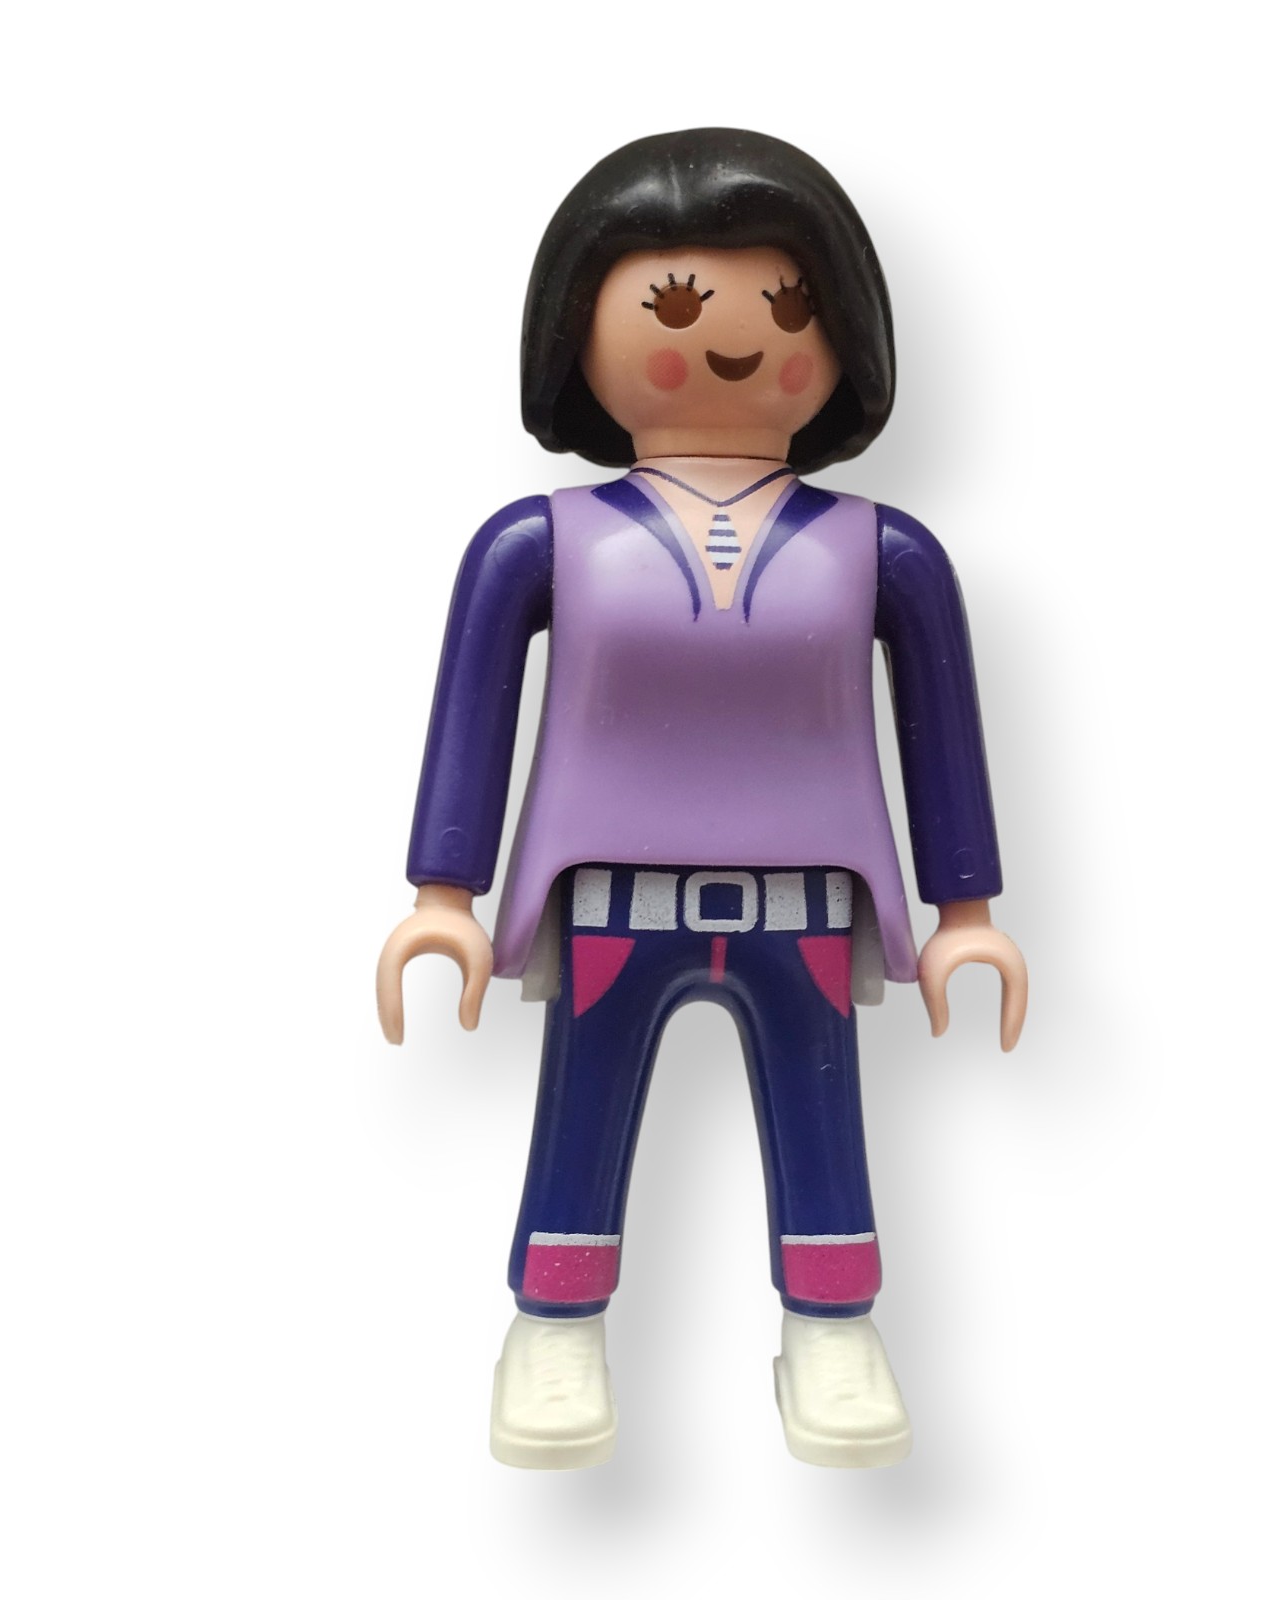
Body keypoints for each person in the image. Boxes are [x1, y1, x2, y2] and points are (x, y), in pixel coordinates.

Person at [376, 127, 1028, 1469]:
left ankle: (834, 1324)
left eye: (785, 307)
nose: (733, 343)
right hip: (610, 898)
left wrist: (966, 909)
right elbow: (475, 709)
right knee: (581, 1107)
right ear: (579, 329)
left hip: (809, 901)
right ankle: (555, 1325)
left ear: (843, 334)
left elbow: (942, 726)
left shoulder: (882, 551)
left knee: (823, 1110)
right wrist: (445, 893)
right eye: (671, 309)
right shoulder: (542, 542)